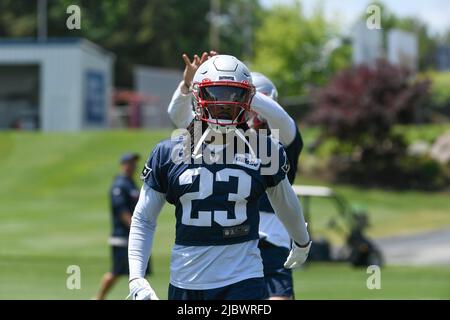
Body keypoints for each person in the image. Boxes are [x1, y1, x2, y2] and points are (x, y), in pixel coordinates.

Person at [128, 55, 311, 300]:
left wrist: (301, 241)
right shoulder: (169, 151)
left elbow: (285, 202)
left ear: (249, 100)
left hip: (242, 277)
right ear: (197, 97)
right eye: (217, 95)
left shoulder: (267, 150)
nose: (225, 106)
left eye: (234, 97)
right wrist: (136, 277)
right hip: (186, 278)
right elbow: (143, 219)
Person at [94, 152, 150, 300]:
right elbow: (121, 210)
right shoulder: (120, 184)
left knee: (138, 272)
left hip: (131, 235)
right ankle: (98, 297)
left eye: (134, 163)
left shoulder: (132, 183)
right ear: (123, 165)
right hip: (122, 236)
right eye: (129, 163)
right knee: (116, 271)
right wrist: (136, 228)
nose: (132, 166)